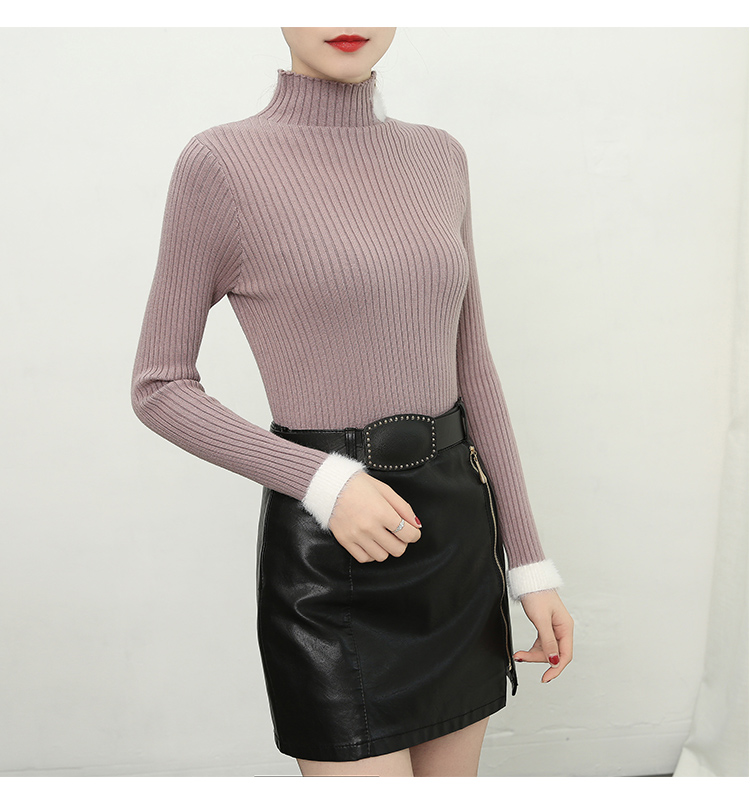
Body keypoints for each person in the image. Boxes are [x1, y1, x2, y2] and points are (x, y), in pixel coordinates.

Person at [131, 27, 574, 777]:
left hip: (456, 545)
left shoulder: (439, 157)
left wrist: (529, 565)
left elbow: (473, 366)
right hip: (334, 559)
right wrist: (324, 482)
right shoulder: (221, 164)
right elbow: (159, 384)